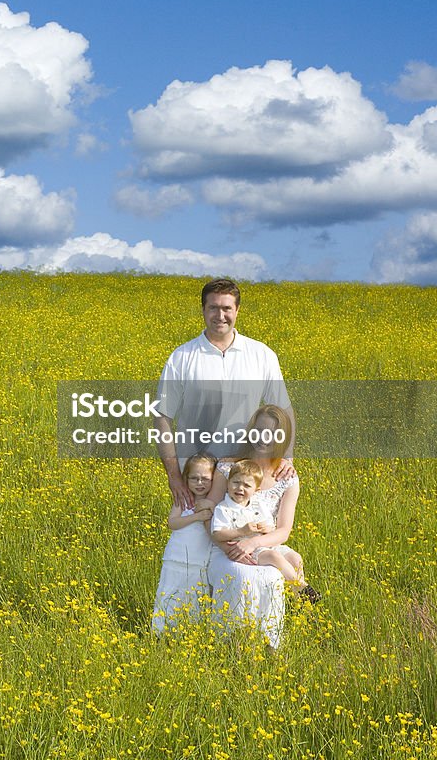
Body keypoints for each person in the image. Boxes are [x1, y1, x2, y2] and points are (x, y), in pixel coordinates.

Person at [154, 277, 293, 511]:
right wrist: (175, 476)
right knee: (193, 544)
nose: (220, 315)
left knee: (243, 543)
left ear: (237, 310)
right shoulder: (181, 357)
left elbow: (284, 410)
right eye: (213, 308)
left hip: (245, 475)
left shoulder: (262, 354)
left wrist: (287, 458)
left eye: (227, 308)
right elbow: (161, 417)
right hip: (198, 478)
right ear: (203, 310)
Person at [203, 405, 317, 647]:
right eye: (260, 430)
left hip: (262, 545)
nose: (264, 439)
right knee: (247, 573)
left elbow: (284, 531)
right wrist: (229, 547)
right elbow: (208, 513)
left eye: (272, 434)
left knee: (292, 563)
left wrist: (252, 542)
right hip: (227, 546)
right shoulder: (229, 467)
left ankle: (276, 636)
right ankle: (233, 639)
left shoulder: (287, 477)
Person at [210, 458, 318, 600]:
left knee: (296, 559)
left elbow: (274, 527)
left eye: (247, 485)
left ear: (256, 490)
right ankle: (300, 587)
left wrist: (266, 529)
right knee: (274, 557)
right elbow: (216, 533)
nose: (240, 488)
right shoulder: (224, 508)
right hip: (246, 547)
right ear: (228, 484)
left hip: (265, 543)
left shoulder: (257, 504)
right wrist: (241, 532)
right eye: (236, 483)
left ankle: (299, 603)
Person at [151, 451, 217, 635]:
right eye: (194, 478)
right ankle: (161, 632)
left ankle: (189, 632)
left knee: (194, 596)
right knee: (171, 592)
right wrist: (197, 517)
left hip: (199, 562)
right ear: (186, 479)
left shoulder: (213, 502)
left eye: (205, 478)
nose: (200, 483)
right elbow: (172, 523)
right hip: (176, 557)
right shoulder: (183, 501)